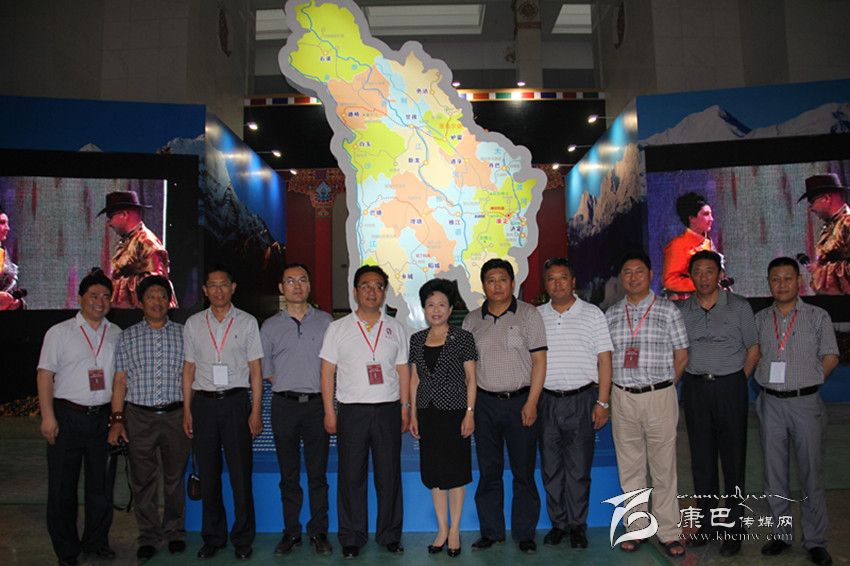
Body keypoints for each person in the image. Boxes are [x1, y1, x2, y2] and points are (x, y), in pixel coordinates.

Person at [319, 265, 410, 558]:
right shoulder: (338, 328)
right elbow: (327, 372)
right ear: (355, 291)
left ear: (385, 292)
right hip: (352, 412)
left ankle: (390, 535)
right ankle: (351, 536)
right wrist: (329, 411)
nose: (373, 291)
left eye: (379, 286)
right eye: (366, 286)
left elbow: (403, 370)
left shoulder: (396, 328)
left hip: (388, 410)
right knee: (351, 476)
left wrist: (405, 407)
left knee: (389, 475)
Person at [754, 257, 839, 566]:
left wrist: (811, 380)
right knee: (774, 473)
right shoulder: (760, 319)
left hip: (806, 403)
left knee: (810, 473)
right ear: (769, 283)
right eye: (775, 279)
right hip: (770, 403)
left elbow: (831, 356)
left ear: (799, 281)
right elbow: (754, 355)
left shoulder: (817, 316)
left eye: (787, 278)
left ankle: (815, 540)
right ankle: (781, 533)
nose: (782, 284)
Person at [605, 250, 689, 557]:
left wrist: (663, 387)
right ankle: (637, 527)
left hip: (659, 396)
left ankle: (669, 532)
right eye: (627, 272)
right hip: (622, 396)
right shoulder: (612, 314)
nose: (633, 277)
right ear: (621, 278)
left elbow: (682, 356)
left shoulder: (668, 310)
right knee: (630, 468)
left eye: (639, 271)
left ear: (650, 275)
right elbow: (605, 359)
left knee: (664, 468)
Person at [462, 258, 547, 554]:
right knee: (489, 471)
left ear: (513, 283)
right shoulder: (471, 321)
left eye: (502, 279)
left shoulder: (529, 314)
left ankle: (524, 534)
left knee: (523, 471)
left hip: (521, 401)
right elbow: (468, 371)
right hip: (484, 403)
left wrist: (532, 401)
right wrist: (470, 409)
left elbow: (539, 361)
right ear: (483, 286)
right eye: (491, 280)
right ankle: (491, 531)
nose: (497, 285)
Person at [37, 268, 121, 566]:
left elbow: (119, 380)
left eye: (106, 296)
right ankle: (67, 550)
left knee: (101, 486)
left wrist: (117, 419)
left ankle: (96, 541)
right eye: (94, 295)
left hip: (102, 419)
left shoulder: (116, 333)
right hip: (68, 416)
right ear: (80, 298)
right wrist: (48, 417)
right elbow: (45, 375)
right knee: (63, 488)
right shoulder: (59, 333)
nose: (100, 301)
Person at [678, 251, 759, 556]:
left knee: (733, 460)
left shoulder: (739, 307)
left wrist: (737, 380)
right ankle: (708, 526)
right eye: (697, 272)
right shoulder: (683, 310)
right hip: (696, 388)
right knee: (701, 461)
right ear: (691, 276)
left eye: (709, 271)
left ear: (720, 274)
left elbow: (753, 349)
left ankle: (734, 528)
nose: (703, 277)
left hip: (730, 387)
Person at [181, 265, 263, 560]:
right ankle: (213, 537)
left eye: (223, 284)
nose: (218, 290)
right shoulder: (193, 323)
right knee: (209, 474)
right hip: (203, 404)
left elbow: (256, 370)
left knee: (241, 474)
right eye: (212, 285)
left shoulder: (247, 322)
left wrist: (255, 411)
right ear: (205, 290)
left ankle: (243, 538)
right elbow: (188, 369)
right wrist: (187, 410)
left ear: (233, 287)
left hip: (235, 403)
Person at [106, 275, 190, 560]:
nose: (157, 301)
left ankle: (175, 531)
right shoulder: (127, 337)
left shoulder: (184, 334)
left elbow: (190, 377)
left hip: (176, 415)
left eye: (162, 296)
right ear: (140, 303)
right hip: (138, 417)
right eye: (151, 297)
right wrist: (117, 419)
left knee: (174, 478)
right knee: (143, 480)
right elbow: (120, 381)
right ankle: (149, 536)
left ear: (170, 301)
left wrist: (190, 413)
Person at [537, 258, 612, 550]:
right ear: (546, 285)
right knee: (551, 468)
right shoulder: (537, 316)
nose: (557, 284)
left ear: (573, 282)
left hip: (582, 400)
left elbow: (604, 360)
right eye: (551, 279)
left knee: (579, 469)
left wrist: (602, 402)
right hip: (546, 401)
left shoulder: (592, 314)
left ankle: (578, 526)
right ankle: (559, 524)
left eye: (563, 278)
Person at [260, 263, 333, 556]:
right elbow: (268, 372)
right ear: (281, 288)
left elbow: (332, 366)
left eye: (302, 280)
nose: (297, 286)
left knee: (317, 475)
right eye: (290, 281)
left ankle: (319, 532)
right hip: (284, 406)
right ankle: (291, 532)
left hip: (317, 406)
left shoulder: (326, 322)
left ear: (309, 286)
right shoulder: (269, 326)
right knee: (288, 475)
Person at [408, 279, 477, 558]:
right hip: (427, 413)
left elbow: (471, 379)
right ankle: (441, 529)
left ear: (450, 309)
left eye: (441, 305)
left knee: (455, 473)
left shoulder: (463, 338)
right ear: (424, 309)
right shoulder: (416, 339)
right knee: (435, 473)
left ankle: (455, 530)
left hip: (455, 414)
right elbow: (414, 380)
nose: (436, 310)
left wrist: (469, 413)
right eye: (430, 305)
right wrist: (413, 414)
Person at [98, 191, 177, 309]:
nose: (109, 223)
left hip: (143, 314)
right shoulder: (128, 242)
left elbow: (157, 286)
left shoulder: (147, 243)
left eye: (110, 217)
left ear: (124, 214)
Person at [799, 173, 850, 294]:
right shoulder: (829, 227)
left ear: (826, 198)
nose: (811, 209)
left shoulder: (847, 223)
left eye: (812, 202)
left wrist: (821, 271)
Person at [662, 192, 717, 298]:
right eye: (706, 214)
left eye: (711, 214)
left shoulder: (708, 243)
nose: (711, 219)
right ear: (691, 218)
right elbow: (670, 281)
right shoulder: (677, 245)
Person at [0, 206, 24, 310]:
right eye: (2, 223)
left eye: (7, 223)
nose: (7, 228)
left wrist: (17, 303)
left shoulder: (4, 254)